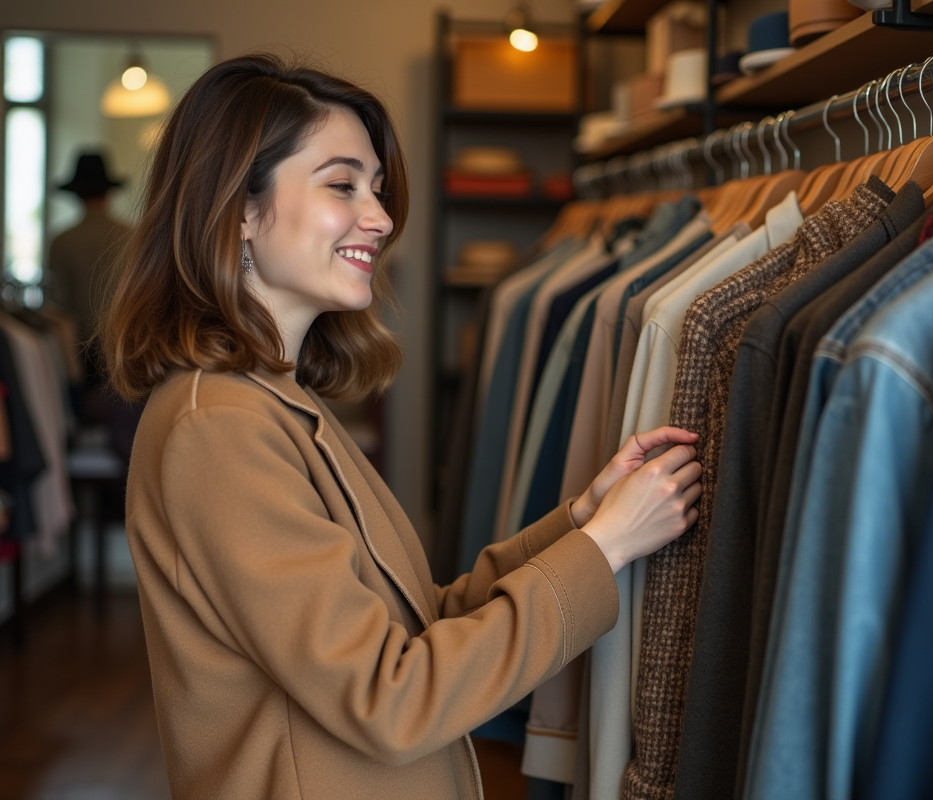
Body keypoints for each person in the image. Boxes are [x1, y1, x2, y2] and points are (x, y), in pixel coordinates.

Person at [101, 53, 702, 799]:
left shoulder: (271, 402)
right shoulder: (218, 429)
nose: (382, 218)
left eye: (377, 191)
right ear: (242, 211)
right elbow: (392, 700)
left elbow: (410, 627)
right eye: (342, 185)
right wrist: (603, 548)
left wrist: (580, 521)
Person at [47, 151, 130, 367]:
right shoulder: (131, 236)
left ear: (77, 195)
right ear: (108, 193)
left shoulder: (62, 242)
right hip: (124, 342)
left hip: (77, 347)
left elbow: (58, 302)